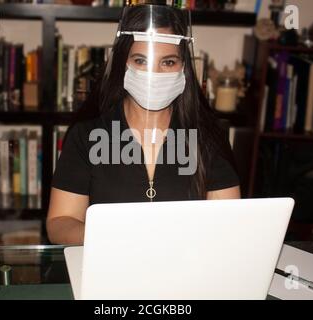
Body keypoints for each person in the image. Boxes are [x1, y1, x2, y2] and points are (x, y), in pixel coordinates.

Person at [47, 4, 241, 245]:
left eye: (168, 62)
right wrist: (116, 238)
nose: (154, 74)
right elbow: (60, 222)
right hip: (110, 269)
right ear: (122, 63)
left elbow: (230, 225)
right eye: (141, 60)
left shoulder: (208, 138)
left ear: (184, 69)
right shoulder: (86, 137)